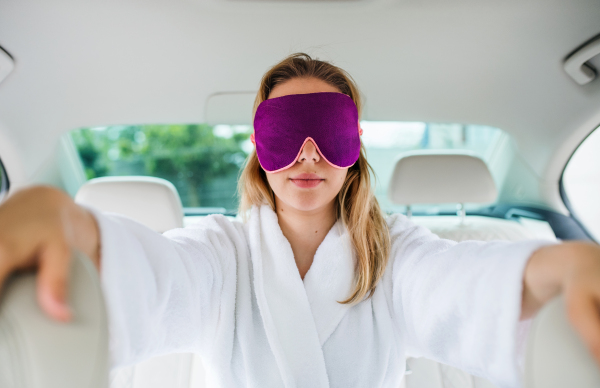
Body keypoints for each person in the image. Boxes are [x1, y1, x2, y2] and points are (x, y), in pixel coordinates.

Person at [0, 52, 599, 388]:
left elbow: (457, 285)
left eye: (328, 133)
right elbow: (157, 277)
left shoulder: (397, 254)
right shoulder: (222, 253)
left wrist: (556, 263)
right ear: (260, 149)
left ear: (355, 146)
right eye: (287, 135)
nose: (308, 154)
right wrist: (67, 222)